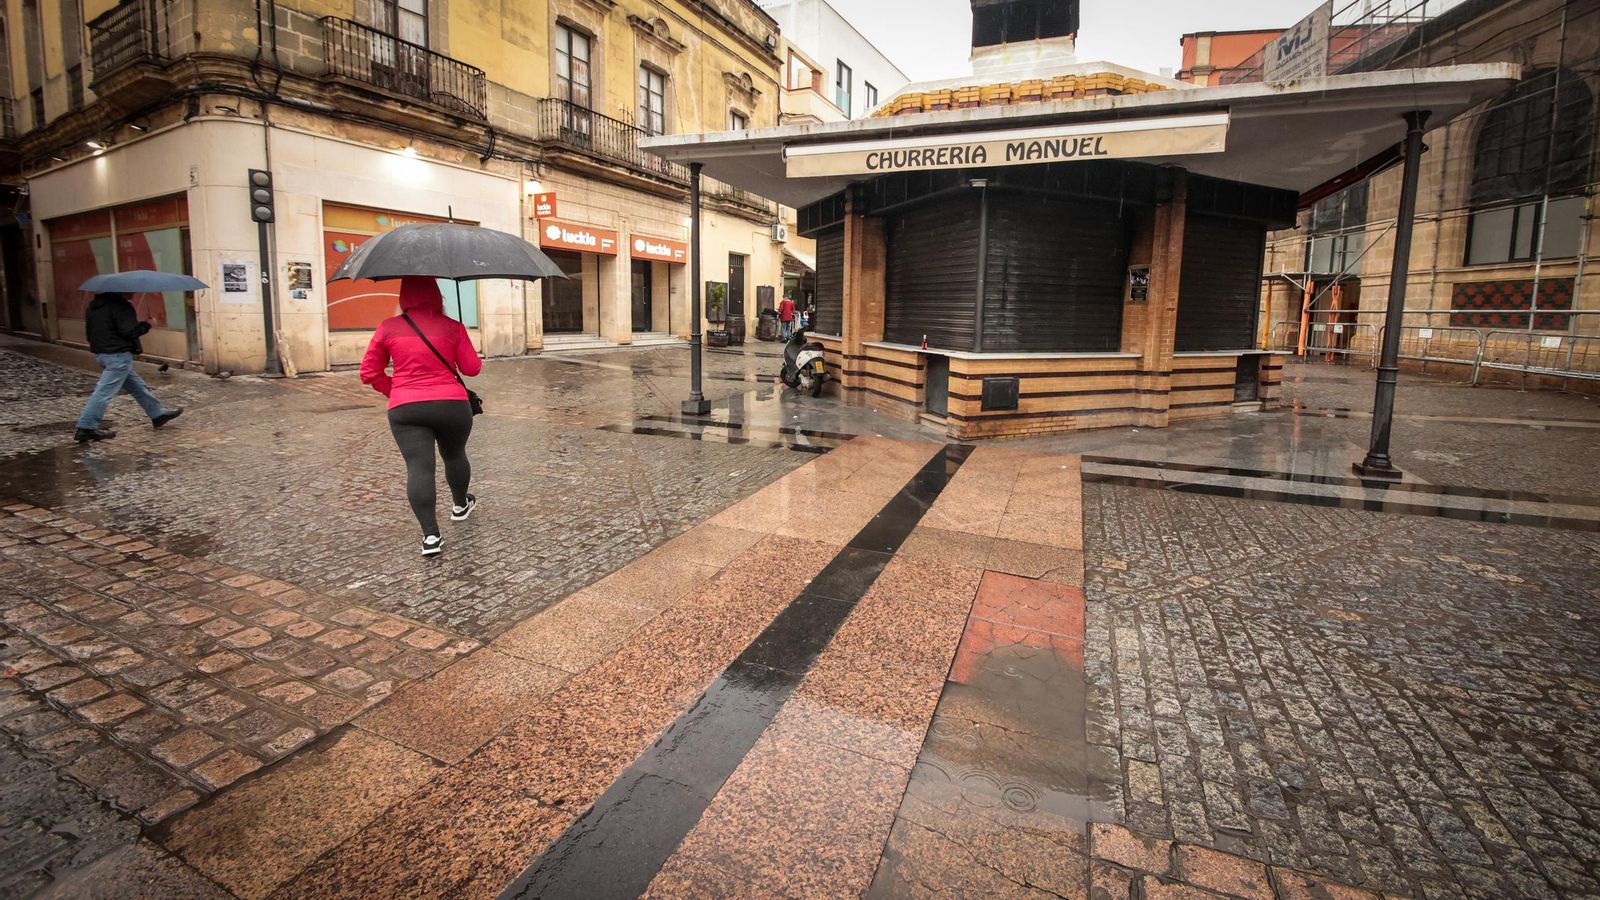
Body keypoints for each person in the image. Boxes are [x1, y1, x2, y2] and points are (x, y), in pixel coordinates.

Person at [360, 277, 483, 556]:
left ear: (404, 297)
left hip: (406, 408)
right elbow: (472, 369)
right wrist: (459, 336)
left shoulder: (388, 327)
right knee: (455, 454)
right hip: (451, 405)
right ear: (437, 295)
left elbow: (369, 372)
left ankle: (431, 536)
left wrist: (396, 390)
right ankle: (460, 505)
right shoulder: (452, 326)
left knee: (419, 467)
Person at [74, 292, 183, 443]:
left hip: (103, 353)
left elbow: (89, 333)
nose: (133, 292)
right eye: (130, 290)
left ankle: (157, 414)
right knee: (104, 392)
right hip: (118, 355)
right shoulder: (121, 307)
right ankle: (86, 427)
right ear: (121, 291)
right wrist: (147, 324)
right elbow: (129, 332)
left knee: (136, 386)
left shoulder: (94, 307)